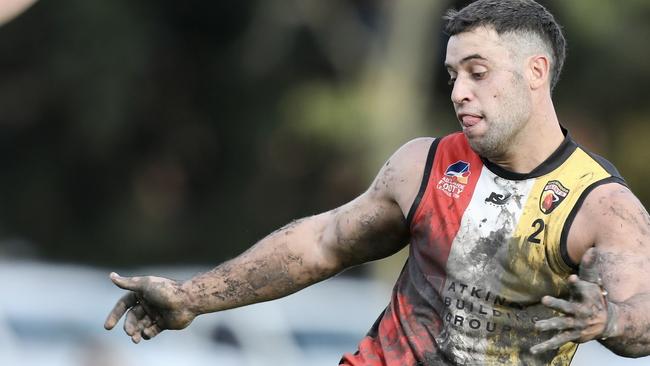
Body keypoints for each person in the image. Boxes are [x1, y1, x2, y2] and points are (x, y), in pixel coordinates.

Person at [104, 0, 650, 364]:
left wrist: (610, 319)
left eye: (478, 72)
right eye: (453, 75)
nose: (460, 91)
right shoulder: (424, 165)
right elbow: (322, 244)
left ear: (535, 72)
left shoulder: (600, 205)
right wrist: (189, 297)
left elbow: (642, 318)